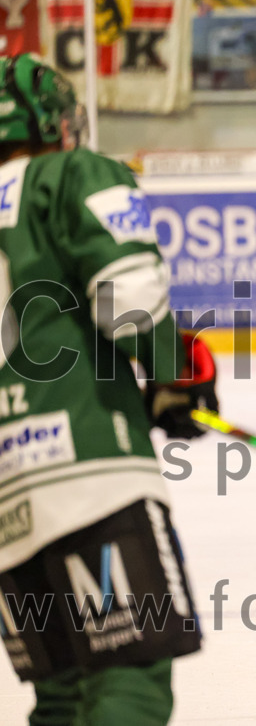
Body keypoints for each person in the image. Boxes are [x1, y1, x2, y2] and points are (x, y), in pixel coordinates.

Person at [0, 53, 217, 726]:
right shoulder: (69, 174)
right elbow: (129, 297)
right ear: (55, 124)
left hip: (5, 500)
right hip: (87, 472)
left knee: (61, 694)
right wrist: (175, 375)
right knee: (129, 677)